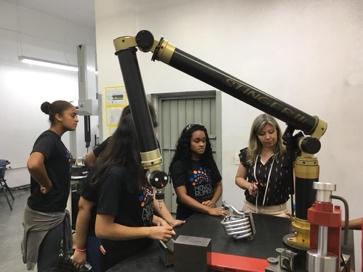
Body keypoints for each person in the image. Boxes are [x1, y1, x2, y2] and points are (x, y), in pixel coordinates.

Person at [72, 105, 184, 271]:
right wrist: (148, 231)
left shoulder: (138, 168)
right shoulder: (115, 175)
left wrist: (155, 219)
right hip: (122, 257)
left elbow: (132, 206)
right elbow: (103, 228)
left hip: (142, 250)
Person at [21, 100, 78, 271]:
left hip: (54, 211)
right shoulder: (49, 139)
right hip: (46, 213)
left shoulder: (56, 141)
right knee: (49, 265)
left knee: (53, 261)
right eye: (73, 115)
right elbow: (33, 164)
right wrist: (46, 183)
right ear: (58, 117)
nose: (77, 119)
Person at [235, 113, 293, 217]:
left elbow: (296, 186)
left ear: (277, 131)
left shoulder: (287, 155)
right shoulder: (248, 154)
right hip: (250, 210)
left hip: (278, 213)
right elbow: (239, 178)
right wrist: (248, 186)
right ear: (256, 136)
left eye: (271, 132)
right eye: (262, 134)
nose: (267, 137)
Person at [169, 123, 227, 220]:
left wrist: (213, 202)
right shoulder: (179, 165)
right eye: (197, 141)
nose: (201, 144)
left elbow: (218, 185)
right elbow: (182, 196)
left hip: (210, 214)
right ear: (187, 142)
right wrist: (207, 209)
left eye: (204, 141)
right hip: (188, 217)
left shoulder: (208, 161)